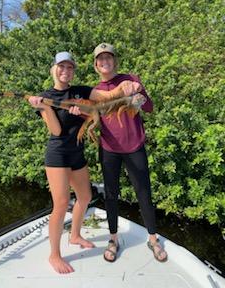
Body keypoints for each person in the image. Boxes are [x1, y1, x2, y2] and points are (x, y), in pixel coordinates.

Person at [28, 51, 141, 274]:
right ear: (54, 69)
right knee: (61, 204)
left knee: (85, 197)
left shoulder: (81, 91)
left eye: (70, 67)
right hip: (58, 155)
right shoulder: (45, 97)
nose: (65, 71)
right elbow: (56, 130)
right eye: (61, 67)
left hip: (77, 153)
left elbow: (108, 97)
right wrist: (44, 108)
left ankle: (75, 235)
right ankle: (54, 255)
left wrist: (127, 85)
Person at [92, 43, 168, 263]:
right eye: (100, 59)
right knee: (111, 195)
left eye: (109, 57)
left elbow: (149, 108)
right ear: (96, 65)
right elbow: (91, 116)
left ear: (115, 61)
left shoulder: (130, 79)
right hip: (109, 150)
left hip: (134, 146)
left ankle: (153, 238)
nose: (105, 61)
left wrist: (138, 92)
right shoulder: (96, 91)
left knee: (143, 193)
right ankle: (114, 239)